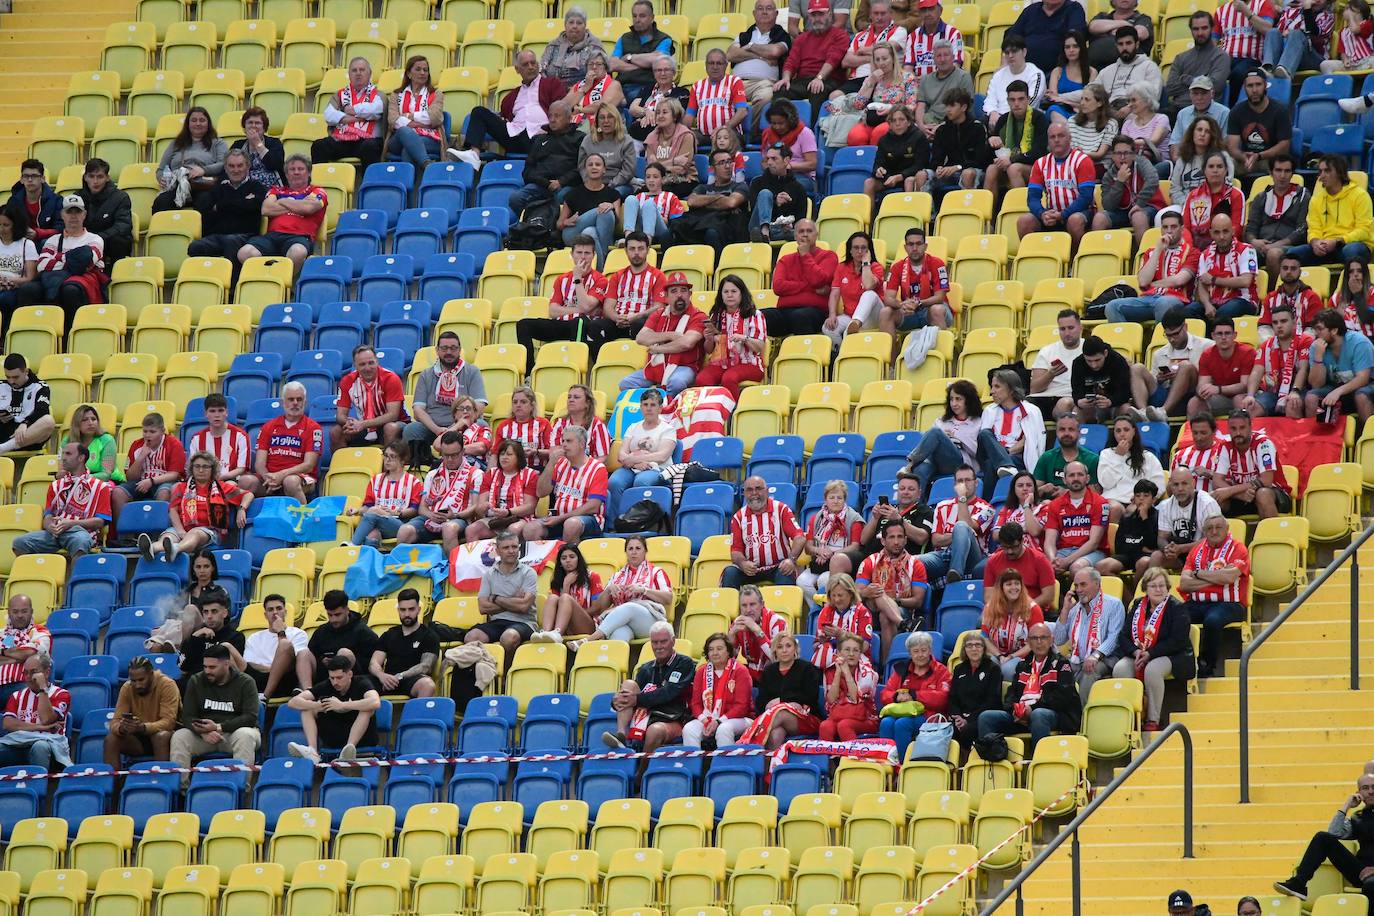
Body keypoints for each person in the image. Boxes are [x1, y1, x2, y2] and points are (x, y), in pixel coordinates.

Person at [1111, 566, 1194, 729]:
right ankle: (1131, 718)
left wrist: (1150, 653)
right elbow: (1123, 636)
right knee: (1120, 669)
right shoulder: (1137, 605)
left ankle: (1153, 719)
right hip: (1138, 653)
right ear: (1145, 589)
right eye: (1153, 586)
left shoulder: (1176, 607)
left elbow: (1178, 640)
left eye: (1162, 585)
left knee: (1153, 669)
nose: (1158, 589)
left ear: (1167, 587)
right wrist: (1135, 652)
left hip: (1172, 654)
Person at [1274, 773, 1374, 903]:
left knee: (1371, 885)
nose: (1371, 791)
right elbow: (1334, 832)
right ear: (1359, 792)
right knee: (1322, 837)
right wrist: (1347, 806)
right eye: (1365, 788)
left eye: (1373, 787)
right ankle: (1298, 883)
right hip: (1362, 871)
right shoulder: (1358, 817)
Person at [515, 236, 609, 375]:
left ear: (594, 255)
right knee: (523, 324)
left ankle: (575, 370)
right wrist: (580, 308)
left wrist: (578, 279)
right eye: (579, 253)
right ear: (572, 254)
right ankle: (529, 374)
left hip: (583, 326)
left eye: (587, 253)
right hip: (561, 324)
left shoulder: (600, 280)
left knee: (579, 322)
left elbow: (588, 306)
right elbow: (553, 311)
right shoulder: (562, 279)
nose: (583, 257)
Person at [139, 451, 251, 562]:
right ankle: (152, 548)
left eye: (205, 467)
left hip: (209, 530)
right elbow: (173, 510)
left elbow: (248, 494)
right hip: (182, 528)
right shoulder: (181, 488)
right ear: (192, 468)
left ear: (212, 469)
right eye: (197, 466)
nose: (201, 470)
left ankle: (176, 549)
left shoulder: (222, 487)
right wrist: (181, 531)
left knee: (195, 533)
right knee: (168, 536)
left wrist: (242, 509)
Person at [602, 620, 695, 754]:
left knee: (654, 730)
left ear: (673, 641)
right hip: (647, 716)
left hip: (674, 717)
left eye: (663, 641)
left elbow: (669, 692)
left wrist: (636, 700)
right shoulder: (645, 668)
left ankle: (641, 772)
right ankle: (621, 734)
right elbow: (632, 696)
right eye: (655, 642)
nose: (659, 646)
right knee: (629, 684)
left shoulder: (684, 663)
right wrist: (616, 700)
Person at [171, 644, 259, 784]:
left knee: (245, 735)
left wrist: (218, 727)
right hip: (204, 735)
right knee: (180, 736)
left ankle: (241, 788)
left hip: (233, 733)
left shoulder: (246, 682)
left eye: (212, 667)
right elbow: (187, 717)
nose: (207, 671)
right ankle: (182, 790)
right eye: (205, 666)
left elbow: (250, 718)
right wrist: (202, 732)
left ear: (227, 663)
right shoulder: (196, 681)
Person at [572, 535, 675, 650]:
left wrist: (643, 590)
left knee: (630, 607)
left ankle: (589, 640)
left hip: (651, 621)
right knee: (618, 635)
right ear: (626, 552)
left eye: (638, 548)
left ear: (645, 551)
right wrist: (609, 590)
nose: (634, 552)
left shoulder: (656, 572)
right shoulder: (617, 576)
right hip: (624, 621)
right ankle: (613, 665)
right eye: (630, 549)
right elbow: (600, 607)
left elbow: (668, 598)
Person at [12, 440, 110, 558]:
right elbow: (48, 516)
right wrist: (50, 526)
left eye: (68, 454)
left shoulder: (100, 487)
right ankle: (41, 574)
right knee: (19, 543)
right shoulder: (55, 485)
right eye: (63, 454)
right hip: (54, 533)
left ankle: (75, 576)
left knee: (81, 541)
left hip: (80, 532)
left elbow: (100, 522)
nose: (63, 458)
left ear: (81, 458)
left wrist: (72, 523)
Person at [1180, 513, 1250, 677]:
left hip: (1229, 604)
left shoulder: (1238, 548)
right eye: (1209, 528)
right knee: (1175, 616)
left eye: (1218, 527)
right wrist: (1216, 580)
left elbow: (1229, 577)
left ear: (1226, 529)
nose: (1214, 531)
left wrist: (1197, 574)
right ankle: (1184, 661)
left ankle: (1207, 665)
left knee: (1212, 620)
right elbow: (1184, 584)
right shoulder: (1196, 550)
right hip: (1197, 603)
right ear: (1204, 531)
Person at [236, 154, 326, 274]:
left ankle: (285, 284)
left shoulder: (317, 191)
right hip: (272, 236)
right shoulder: (276, 190)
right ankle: (268, 280)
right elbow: (266, 209)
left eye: (301, 169)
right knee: (244, 253)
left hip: (299, 237)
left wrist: (283, 201)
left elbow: (308, 208)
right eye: (292, 169)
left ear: (309, 173)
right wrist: (298, 205)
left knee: (298, 252)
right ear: (287, 174)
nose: (296, 172)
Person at [621, 271, 707, 396]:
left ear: (690, 294)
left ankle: (667, 411)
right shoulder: (658, 314)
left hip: (685, 366)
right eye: (674, 291)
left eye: (683, 290)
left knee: (676, 382)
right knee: (626, 384)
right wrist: (670, 335)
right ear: (666, 296)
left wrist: (658, 349)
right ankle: (651, 406)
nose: (679, 295)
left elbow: (686, 343)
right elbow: (641, 338)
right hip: (657, 366)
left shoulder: (698, 316)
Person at [21, 194, 106, 318]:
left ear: (84, 215)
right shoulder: (52, 240)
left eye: (77, 212)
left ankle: (72, 329)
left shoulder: (95, 239)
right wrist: (71, 258)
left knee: (70, 289)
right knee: (28, 289)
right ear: (62, 215)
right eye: (69, 212)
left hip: (82, 282)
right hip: (56, 279)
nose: (73, 216)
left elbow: (87, 262)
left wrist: (57, 257)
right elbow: (42, 265)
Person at [287, 654, 380, 766]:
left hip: (362, 738)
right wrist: (316, 706)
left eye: (339, 678)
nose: (335, 682)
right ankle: (312, 751)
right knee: (307, 708)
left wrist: (343, 705)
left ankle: (349, 750)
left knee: (368, 709)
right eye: (332, 678)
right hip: (334, 735)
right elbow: (293, 702)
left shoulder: (362, 683)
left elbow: (375, 702)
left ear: (349, 674)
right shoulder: (326, 685)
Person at [1018, 121, 1095, 255]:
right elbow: (1032, 198)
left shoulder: (1083, 161)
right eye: (1052, 137)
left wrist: (1063, 214)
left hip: (1080, 212)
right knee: (1024, 221)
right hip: (1052, 213)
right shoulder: (1040, 163)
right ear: (1048, 141)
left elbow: (1086, 197)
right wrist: (1042, 214)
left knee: (1074, 220)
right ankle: (1035, 261)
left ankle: (1074, 263)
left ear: (1069, 138)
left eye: (1061, 136)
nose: (1057, 140)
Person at [184, 149, 267, 270]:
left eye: (240, 165)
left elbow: (254, 206)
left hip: (246, 235)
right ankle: (206, 283)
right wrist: (242, 203)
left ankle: (232, 286)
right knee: (195, 246)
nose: (236, 170)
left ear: (247, 166)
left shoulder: (257, 187)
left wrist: (221, 206)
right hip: (218, 236)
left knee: (231, 242)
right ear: (226, 168)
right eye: (231, 166)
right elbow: (207, 212)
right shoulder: (218, 188)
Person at [400, 429, 482, 551]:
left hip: (459, 518)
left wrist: (454, 515)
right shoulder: (432, 474)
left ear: (463, 452)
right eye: (445, 455)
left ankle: (452, 569)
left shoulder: (475, 474)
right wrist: (431, 515)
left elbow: (476, 507)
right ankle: (404, 569)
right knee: (404, 531)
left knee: (449, 528)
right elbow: (422, 508)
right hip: (431, 518)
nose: (449, 459)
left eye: (454, 455)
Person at [587, 234, 667, 359]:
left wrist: (636, 316)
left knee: (639, 325)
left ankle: (636, 363)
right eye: (632, 249)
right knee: (594, 326)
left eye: (640, 248)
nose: (636, 253)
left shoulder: (658, 276)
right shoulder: (617, 276)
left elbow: (659, 307)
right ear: (626, 251)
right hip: (619, 322)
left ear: (647, 250)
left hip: (642, 322)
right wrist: (616, 318)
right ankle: (603, 365)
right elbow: (608, 307)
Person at [1052, 567, 1125, 700]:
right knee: (1058, 671)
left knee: (1088, 673)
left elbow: (1114, 637)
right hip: (1076, 658)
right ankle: (1065, 715)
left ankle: (1084, 716)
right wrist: (1065, 610)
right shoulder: (1074, 609)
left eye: (1083, 584)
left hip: (1105, 659)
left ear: (1097, 584)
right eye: (1076, 585)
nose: (1079, 590)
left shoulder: (1114, 605)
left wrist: (1095, 656)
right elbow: (1058, 639)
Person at [741, 631, 822, 749]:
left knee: (781, 712)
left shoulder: (807, 668)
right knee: (776, 734)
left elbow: (811, 696)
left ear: (795, 649)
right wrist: (770, 705)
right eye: (780, 647)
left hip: (806, 718)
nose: (784, 650)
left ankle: (748, 743)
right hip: (775, 720)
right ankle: (772, 765)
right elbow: (760, 701)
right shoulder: (769, 672)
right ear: (775, 651)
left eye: (788, 646)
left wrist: (782, 702)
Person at [528, 425, 608, 544]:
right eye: (563, 441)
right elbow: (541, 492)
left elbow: (593, 506)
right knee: (530, 529)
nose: (564, 445)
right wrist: (551, 463)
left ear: (582, 444)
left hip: (588, 519)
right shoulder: (560, 464)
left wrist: (560, 518)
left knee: (571, 524)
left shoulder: (597, 468)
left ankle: (570, 559)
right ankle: (542, 561)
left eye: (569, 441)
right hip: (559, 518)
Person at [507, 101, 585, 222]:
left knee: (563, 197)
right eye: (550, 116)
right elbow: (527, 171)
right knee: (516, 198)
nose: (552, 120)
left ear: (569, 118)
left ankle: (554, 231)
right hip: (541, 185)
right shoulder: (539, 140)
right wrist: (545, 183)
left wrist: (561, 182)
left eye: (557, 116)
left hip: (566, 185)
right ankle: (534, 224)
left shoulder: (580, 138)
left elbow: (582, 168)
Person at [1291, 154, 1373, 268]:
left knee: (1352, 250)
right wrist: (1315, 243)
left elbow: (1364, 230)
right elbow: (1313, 228)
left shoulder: (1360, 196)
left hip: (1351, 244)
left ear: (1340, 173)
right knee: (1292, 255)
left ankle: (1352, 285)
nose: (1322, 176)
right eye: (1320, 171)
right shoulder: (1316, 200)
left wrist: (1338, 241)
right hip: (1325, 247)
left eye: (1327, 171)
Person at [876, 630, 950, 756]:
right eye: (916, 651)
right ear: (910, 653)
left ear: (930, 651)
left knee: (902, 724)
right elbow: (885, 694)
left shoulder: (941, 671)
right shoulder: (902, 670)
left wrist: (915, 695)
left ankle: (902, 766)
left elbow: (943, 699)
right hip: (901, 712)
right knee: (886, 722)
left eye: (924, 650)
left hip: (929, 716)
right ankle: (885, 763)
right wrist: (896, 696)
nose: (920, 655)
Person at [903, 379, 982, 496]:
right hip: (935, 461)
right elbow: (928, 443)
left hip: (961, 463)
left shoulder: (979, 422)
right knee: (920, 470)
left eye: (958, 399)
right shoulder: (941, 421)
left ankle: (910, 463)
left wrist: (957, 438)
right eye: (951, 399)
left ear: (968, 400)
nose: (954, 403)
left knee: (935, 433)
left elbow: (979, 453)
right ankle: (917, 509)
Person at [724, 476, 805, 589]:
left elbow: (799, 538)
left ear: (766, 491)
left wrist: (791, 560)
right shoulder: (738, 517)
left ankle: (783, 607)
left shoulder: (781, 510)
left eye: (758, 489)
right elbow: (736, 551)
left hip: (778, 566)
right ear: (744, 493)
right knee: (730, 573)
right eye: (750, 490)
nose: (754, 493)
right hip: (751, 569)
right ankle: (728, 607)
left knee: (786, 573)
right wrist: (743, 563)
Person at [919, 463, 993, 584]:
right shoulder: (942, 506)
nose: (963, 484)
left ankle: (956, 572)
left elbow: (966, 525)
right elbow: (936, 540)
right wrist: (958, 537)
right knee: (912, 562)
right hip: (943, 556)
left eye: (968, 480)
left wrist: (962, 498)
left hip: (972, 558)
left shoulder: (987, 509)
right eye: (960, 481)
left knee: (961, 526)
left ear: (976, 483)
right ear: (954, 485)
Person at [607, 387, 677, 517]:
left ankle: (637, 522)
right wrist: (635, 463)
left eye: (653, 405)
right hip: (632, 467)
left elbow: (662, 456)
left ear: (660, 408)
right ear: (641, 407)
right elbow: (621, 455)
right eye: (645, 405)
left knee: (641, 481)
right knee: (614, 482)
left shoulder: (668, 429)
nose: (649, 408)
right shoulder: (633, 427)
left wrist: (633, 458)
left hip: (656, 469)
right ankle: (614, 524)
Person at [1212, 407, 1292, 518]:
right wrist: (1240, 495)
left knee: (1262, 494)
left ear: (1250, 427)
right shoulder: (1225, 446)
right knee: (1217, 498)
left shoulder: (1263, 443)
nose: (1238, 432)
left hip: (1275, 494)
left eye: (1242, 428)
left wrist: (1230, 491)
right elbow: (1217, 481)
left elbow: (1266, 481)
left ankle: (1274, 534)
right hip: (1245, 495)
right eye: (1233, 429)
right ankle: (1230, 535)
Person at [836, 43, 918, 149]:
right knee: (855, 136)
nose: (881, 63)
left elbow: (911, 107)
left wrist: (891, 109)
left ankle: (878, 164)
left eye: (885, 59)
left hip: (896, 119)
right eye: (877, 60)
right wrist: (871, 82)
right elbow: (858, 105)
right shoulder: (872, 78)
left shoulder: (908, 78)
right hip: (873, 119)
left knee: (880, 133)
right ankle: (862, 164)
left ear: (893, 58)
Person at [109, 411, 184, 525]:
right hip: (140, 482)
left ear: (163, 431)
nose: (147, 435)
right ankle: (124, 536)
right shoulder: (136, 445)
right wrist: (141, 457)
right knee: (118, 492)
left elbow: (174, 474)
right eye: (145, 431)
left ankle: (159, 534)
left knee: (164, 493)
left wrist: (151, 481)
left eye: (152, 432)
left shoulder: (174, 444)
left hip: (163, 482)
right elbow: (130, 477)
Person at [699, 275, 767, 397]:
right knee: (702, 379)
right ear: (721, 295)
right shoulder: (716, 316)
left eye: (734, 291)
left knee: (729, 377)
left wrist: (743, 338)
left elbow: (760, 347)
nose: (729, 295)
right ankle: (708, 412)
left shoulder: (754, 315)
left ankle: (730, 414)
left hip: (749, 364)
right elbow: (709, 350)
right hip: (721, 363)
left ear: (742, 293)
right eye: (726, 292)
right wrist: (709, 339)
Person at [104, 655, 179, 767]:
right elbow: (115, 721)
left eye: (141, 680)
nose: (137, 685)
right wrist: (122, 728)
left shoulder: (167, 685)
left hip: (166, 736)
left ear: (151, 674)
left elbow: (169, 722)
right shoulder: (127, 688)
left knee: (160, 737)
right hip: (139, 737)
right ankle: (112, 783)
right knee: (111, 739)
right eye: (133, 681)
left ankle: (162, 781)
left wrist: (143, 727)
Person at [918, 89, 988, 208]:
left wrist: (958, 167)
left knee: (968, 173)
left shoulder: (978, 128)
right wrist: (938, 168)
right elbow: (936, 158)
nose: (948, 110)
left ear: (964, 107)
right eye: (947, 106)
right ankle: (928, 218)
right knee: (922, 175)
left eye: (952, 105)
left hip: (972, 170)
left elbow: (980, 160)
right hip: (949, 171)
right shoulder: (942, 130)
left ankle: (968, 212)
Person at [775, 0, 849, 112]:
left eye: (821, 14)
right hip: (803, 80)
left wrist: (819, 78)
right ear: (809, 17)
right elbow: (791, 61)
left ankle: (813, 128)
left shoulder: (840, 35)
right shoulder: (801, 38)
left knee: (817, 90)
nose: (817, 19)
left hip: (828, 80)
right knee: (780, 89)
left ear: (829, 14)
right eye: (814, 15)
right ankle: (778, 128)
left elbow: (833, 59)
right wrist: (786, 78)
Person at [684, 632, 754, 747]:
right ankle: (693, 764)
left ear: (728, 651)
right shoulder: (701, 672)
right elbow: (695, 704)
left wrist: (718, 721)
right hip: (708, 718)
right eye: (711, 649)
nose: (715, 653)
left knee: (724, 729)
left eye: (719, 649)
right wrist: (704, 721)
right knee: (689, 729)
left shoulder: (740, 671)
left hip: (740, 719)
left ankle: (726, 764)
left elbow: (742, 706)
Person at [800, 480, 864, 605]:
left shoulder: (854, 518)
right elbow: (808, 547)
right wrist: (819, 551)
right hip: (819, 562)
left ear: (845, 500)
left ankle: (828, 608)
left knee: (824, 580)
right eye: (831, 497)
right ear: (825, 499)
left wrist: (832, 554)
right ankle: (818, 608)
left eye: (839, 498)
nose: (835, 501)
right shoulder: (816, 518)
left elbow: (855, 547)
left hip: (841, 563)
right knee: (802, 581)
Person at [254, 381, 321, 501]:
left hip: (301, 478)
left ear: (304, 402)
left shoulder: (313, 428)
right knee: (245, 481)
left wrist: (282, 475)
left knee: (290, 481)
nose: (295, 403)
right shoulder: (268, 426)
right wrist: (269, 479)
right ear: (283, 402)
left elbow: (309, 465)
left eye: (299, 399)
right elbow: (259, 464)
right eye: (291, 399)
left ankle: (303, 517)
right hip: (270, 478)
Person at [312, 57, 385, 167]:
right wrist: (359, 117)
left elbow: (376, 110)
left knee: (370, 147)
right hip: (343, 139)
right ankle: (320, 182)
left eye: (362, 70)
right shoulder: (340, 94)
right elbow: (329, 115)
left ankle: (370, 183)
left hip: (368, 140)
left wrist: (351, 110)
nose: (358, 73)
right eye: (354, 70)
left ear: (369, 74)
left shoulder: (379, 95)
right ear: (349, 75)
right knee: (319, 145)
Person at [770, 219, 838, 336]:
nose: (805, 234)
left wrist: (805, 255)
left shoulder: (828, 256)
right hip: (785, 310)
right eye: (801, 231)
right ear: (795, 236)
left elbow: (819, 280)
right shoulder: (785, 260)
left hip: (814, 311)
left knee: (799, 316)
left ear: (816, 235)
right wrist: (810, 287)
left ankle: (806, 352)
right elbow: (778, 287)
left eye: (809, 231)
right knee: (759, 316)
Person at [152, 107, 227, 213]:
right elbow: (161, 169)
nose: (198, 123)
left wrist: (203, 170)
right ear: (188, 123)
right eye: (193, 120)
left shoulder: (218, 143)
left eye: (202, 120)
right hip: (178, 186)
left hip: (203, 186)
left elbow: (224, 164)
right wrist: (161, 178)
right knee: (161, 202)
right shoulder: (176, 143)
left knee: (205, 201)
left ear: (208, 123)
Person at [345, 443, 421, 546]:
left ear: (403, 460)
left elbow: (414, 510)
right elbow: (368, 507)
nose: (387, 460)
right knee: (373, 534)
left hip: (400, 524)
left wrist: (396, 512)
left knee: (375, 511)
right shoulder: (375, 480)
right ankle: (369, 560)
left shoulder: (413, 482)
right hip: (377, 520)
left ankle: (352, 545)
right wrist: (357, 511)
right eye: (385, 455)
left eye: (392, 456)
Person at [728, 0, 792, 121]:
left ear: (776, 13)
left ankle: (752, 134)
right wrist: (761, 56)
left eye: (769, 8)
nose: (764, 12)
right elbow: (731, 54)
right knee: (718, 96)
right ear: (754, 13)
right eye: (760, 8)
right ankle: (725, 134)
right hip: (737, 83)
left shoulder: (782, 35)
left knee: (766, 97)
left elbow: (775, 52)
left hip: (763, 83)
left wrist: (750, 46)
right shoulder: (744, 35)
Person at [1245, 155, 1309, 276]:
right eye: (1278, 170)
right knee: (1240, 253)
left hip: (1289, 246)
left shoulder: (1303, 196)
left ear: (1292, 174)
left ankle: (1273, 293)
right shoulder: (1261, 197)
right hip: (1261, 245)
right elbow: (1251, 227)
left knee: (1273, 254)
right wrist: (1254, 241)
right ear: (1271, 172)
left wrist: (1277, 245)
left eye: (1287, 171)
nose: (1282, 175)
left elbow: (1302, 230)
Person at [879, 225, 950, 334]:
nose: (915, 248)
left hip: (932, 310)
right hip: (908, 311)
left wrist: (919, 304)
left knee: (937, 310)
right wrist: (902, 305)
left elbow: (940, 297)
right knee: (885, 312)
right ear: (905, 247)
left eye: (918, 244)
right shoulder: (897, 267)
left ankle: (940, 351)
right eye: (911, 244)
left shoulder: (937, 264)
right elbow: (888, 298)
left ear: (925, 246)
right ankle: (890, 351)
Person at [982, 369, 1046, 489]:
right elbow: (985, 443)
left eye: (997, 387)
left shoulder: (1031, 411)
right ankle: (1006, 465)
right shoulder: (989, 410)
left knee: (991, 464)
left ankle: (988, 502)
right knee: (984, 434)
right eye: (992, 387)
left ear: (1011, 389)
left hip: (1016, 456)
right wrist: (1001, 455)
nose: (992, 392)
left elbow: (1030, 440)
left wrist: (1005, 453)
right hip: (993, 454)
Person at [370, 588, 438, 699]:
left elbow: (425, 666)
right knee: (357, 681)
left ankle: (418, 717)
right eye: (403, 610)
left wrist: (400, 676)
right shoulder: (389, 634)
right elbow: (374, 663)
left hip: (410, 680)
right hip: (386, 680)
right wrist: (381, 676)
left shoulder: (429, 636)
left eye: (411, 609)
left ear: (419, 610)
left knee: (427, 685)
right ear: (398, 610)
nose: (407, 614)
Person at [678, 151, 750, 257]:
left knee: (712, 233)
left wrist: (704, 203)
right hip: (699, 227)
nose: (727, 166)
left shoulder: (740, 186)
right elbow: (692, 201)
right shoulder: (703, 188)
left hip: (728, 231)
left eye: (729, 162)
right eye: (721, 163)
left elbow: (731, 202)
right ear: (712, 168)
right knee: (669, 233)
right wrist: (720, 197)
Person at [1044, 461, 1111, 573]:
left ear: (1087, 478)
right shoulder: (1055, 504)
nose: (1076, 478)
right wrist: (1052, 560)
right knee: (1043, 568)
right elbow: (1049, 542)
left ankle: (1074, 591)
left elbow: (1093, 543)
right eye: (1071, 475)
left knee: (1077, 567)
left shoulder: (1100, 502)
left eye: (1080, 474)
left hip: (1093, 552)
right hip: (1064, 551)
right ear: (1064, 480)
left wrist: (1067, 561)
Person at [1245, 303, 1311, 418]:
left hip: (1300, 390)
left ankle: (1292, 436)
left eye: (1283, 321)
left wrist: (1295, 391)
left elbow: (1303, 369)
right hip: (1274, 392)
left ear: (1294, 322)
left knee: (1292, 404)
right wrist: (1250, 395)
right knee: (1251, 408)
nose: (1279, 326)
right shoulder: (1267, 345)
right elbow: (1256, 372)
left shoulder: (1304, 341)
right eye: (1275, 323)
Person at [1227, 69, 1292, 183]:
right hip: (1246, 158)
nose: (1254, 90)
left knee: (1280, 166)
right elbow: (1232, 147)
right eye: (1250, 86)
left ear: (1265, 85)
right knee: (1224, 164)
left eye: (1258, 85)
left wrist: (1260, 156)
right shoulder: (1236, 111)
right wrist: (1243, 156)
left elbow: (1284, 146)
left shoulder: (1279, 110)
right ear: (1244, 88)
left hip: (1270, 158)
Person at [1093, 136, 1163, 242]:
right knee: (1099, 218)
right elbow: (1108, 205)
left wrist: (1139, 203)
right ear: (1112, 156)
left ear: (1133, 155)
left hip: (1148, 206)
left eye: (1126, 153)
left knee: (1137, 217)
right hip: (1122, 212)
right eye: (1118, 153)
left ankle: (1143, 256)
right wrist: (1119, 182)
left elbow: (1153, 180)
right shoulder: (1109, 175)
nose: (1122, 157)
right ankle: (1099, 255)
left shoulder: (1141, 163)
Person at [468, 439, 539, 543]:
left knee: (512, 530)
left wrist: (508, 512)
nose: (504, 457)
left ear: (519, 457)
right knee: (471, 530)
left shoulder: (530, 475)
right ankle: (474, 559)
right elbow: (480, 507)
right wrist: (483, 507)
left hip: (519, 518)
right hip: (494, 519)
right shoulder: (490, 474)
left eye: (509, 454)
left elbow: (530, 507)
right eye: (502, 454)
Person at [1193, 215, 1260, 323]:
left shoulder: (1246, 250)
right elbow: (1202, 284)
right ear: (1211, 233)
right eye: (1217, 232)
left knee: (1223, 313)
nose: (1222, 236)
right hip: (1213, 301)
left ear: (1233, 231)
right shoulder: (1204, 255)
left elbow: (1245, 281)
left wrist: (1214, 280)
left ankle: (1213, 338)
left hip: (1243, 300)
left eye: (1225, 231)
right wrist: (1207, 305)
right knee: (1188, 311)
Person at [305, 588, 379, 685]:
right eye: (330, 615)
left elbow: (371, 663)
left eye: (337, 615)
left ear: (347, 610)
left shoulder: (364, 632)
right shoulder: (321, 632)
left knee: (345, 653)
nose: (333, 619)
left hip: (355, 681)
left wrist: (342, 661)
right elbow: (312, 654)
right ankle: (307, 690)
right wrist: (323, 660)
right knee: (304, 653)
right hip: (324, 679)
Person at [559, 154, 620, 270]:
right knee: (603, 210)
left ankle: (599, 271)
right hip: (573, 233)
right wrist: (566, 221)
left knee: (590, 231)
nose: (594, 167)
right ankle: (605, 260)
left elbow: (616, 221)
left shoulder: (613, 194)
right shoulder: (573, 194)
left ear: (604, 170)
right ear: (585, 169)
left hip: (601, 236)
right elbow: (559, 224)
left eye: (598, 164)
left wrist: (611, 205)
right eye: (590, 165)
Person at [855, 472, 934, 562]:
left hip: (902, 559)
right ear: (897, 492)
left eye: (911, 489)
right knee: (841, 559)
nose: (906, 492)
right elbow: (863, 540)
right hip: (871, 557)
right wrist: (875, 518)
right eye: (902, 489)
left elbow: (922, 538)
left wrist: (899, 520)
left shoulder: (925, 511)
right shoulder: (888, 509)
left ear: (919, 493)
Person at [241, 595, 309, 700]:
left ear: (285, 612)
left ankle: (265, 696)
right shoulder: (254, 638)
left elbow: (296, 662)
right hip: (259, 678)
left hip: (286, 680)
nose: (275, 612)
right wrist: (274, 669)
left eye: (279, 608)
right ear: (265, 615)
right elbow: (249, 664)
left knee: (284, 644)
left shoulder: (299, 634)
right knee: (227, 648)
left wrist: (281, 632)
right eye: (270, 609)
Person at [982, 568, 1045, 679]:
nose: (1014, 588)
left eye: (1017, 584)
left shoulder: (1033, 609)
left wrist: (1012, 656)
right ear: (1001, 588)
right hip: (998, 653)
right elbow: (985, 638)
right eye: (1009, 584)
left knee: (1007, 669)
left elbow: (1035, 643)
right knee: (986, 667)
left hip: (1025, 654)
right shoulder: (990, 608)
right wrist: (999, 656)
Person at [1098, 416, 1166, 520]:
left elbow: (1159, 484)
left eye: (1126, 430)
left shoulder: (1148, 456)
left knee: (1136, 511)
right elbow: (1106, 483)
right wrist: (1118, 457)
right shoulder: (1106, 454)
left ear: (1134, 431)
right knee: (1114, 508)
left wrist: (1146, 500)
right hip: (1113, 499)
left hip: (1138, 500)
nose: (1122, 434)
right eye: (1118, 431)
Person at [825, 232, 886, 344]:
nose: (859, 251)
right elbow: (834, 293)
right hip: (849, 315)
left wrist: (866, 263)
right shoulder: (842, 267)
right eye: (856, 248)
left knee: (869, 294)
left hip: (874, 316)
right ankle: (840, 354)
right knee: (828, 328)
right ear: (850, 250)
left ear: (869, 251)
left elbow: (868, 285)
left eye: (863, 248)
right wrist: (832, 314)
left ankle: (855, 324)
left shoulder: (876, 267)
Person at [533, 544, 601, 644]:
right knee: (552, 598)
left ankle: (557, 633)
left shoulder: (592, 577)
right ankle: (545, 634)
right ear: (560, 562)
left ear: (579, 559)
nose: (568, 560)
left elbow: (597, 608)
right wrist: (566, 585)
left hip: (587, 624)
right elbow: (556, 608)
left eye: (572, 557)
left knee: (565, 598)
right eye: (564, 558)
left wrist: (574, 611)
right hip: (564, 625)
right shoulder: (557, 580)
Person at [385, 55, 444, 172]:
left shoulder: (436, 94)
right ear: (409, 74)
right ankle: (427, 164)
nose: (422, 73)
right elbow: (393, 121)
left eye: (425, 70)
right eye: (418, 69)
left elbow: (435, 117)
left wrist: (408, 116)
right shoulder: (396, 95)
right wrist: (422, 123)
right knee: (404, 131)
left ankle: (407, 187)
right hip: (398, 139)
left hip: (429, 137)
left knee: (408, 149)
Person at [864, 104, 928, 209]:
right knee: (869, 182)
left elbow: (921, 164)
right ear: (889, 123)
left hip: (909, 176)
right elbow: (877, 164)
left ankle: (910, 216)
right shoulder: (884, 140)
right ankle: (868, 222)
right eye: (893, 121)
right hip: (890, 178)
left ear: (909, 122)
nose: (897, 123)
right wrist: (878, 171)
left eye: (901, 119)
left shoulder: (919, 137)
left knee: (909, 181)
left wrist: (900, 176)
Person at [1189, 317, 1256, 416]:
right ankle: (1194, 431)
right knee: (1194, 403)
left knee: (1239, 400)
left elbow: (1244, 386)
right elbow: (1203, 384)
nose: (1223, 337)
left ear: (1235, 335)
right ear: (1213, 336)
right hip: (1220, 398)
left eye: (1227, 333)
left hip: (1243, 395)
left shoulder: (1247, 352)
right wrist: (1203, 391)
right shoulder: (1207, 355)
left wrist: (1218, 389)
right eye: (1219, 334)